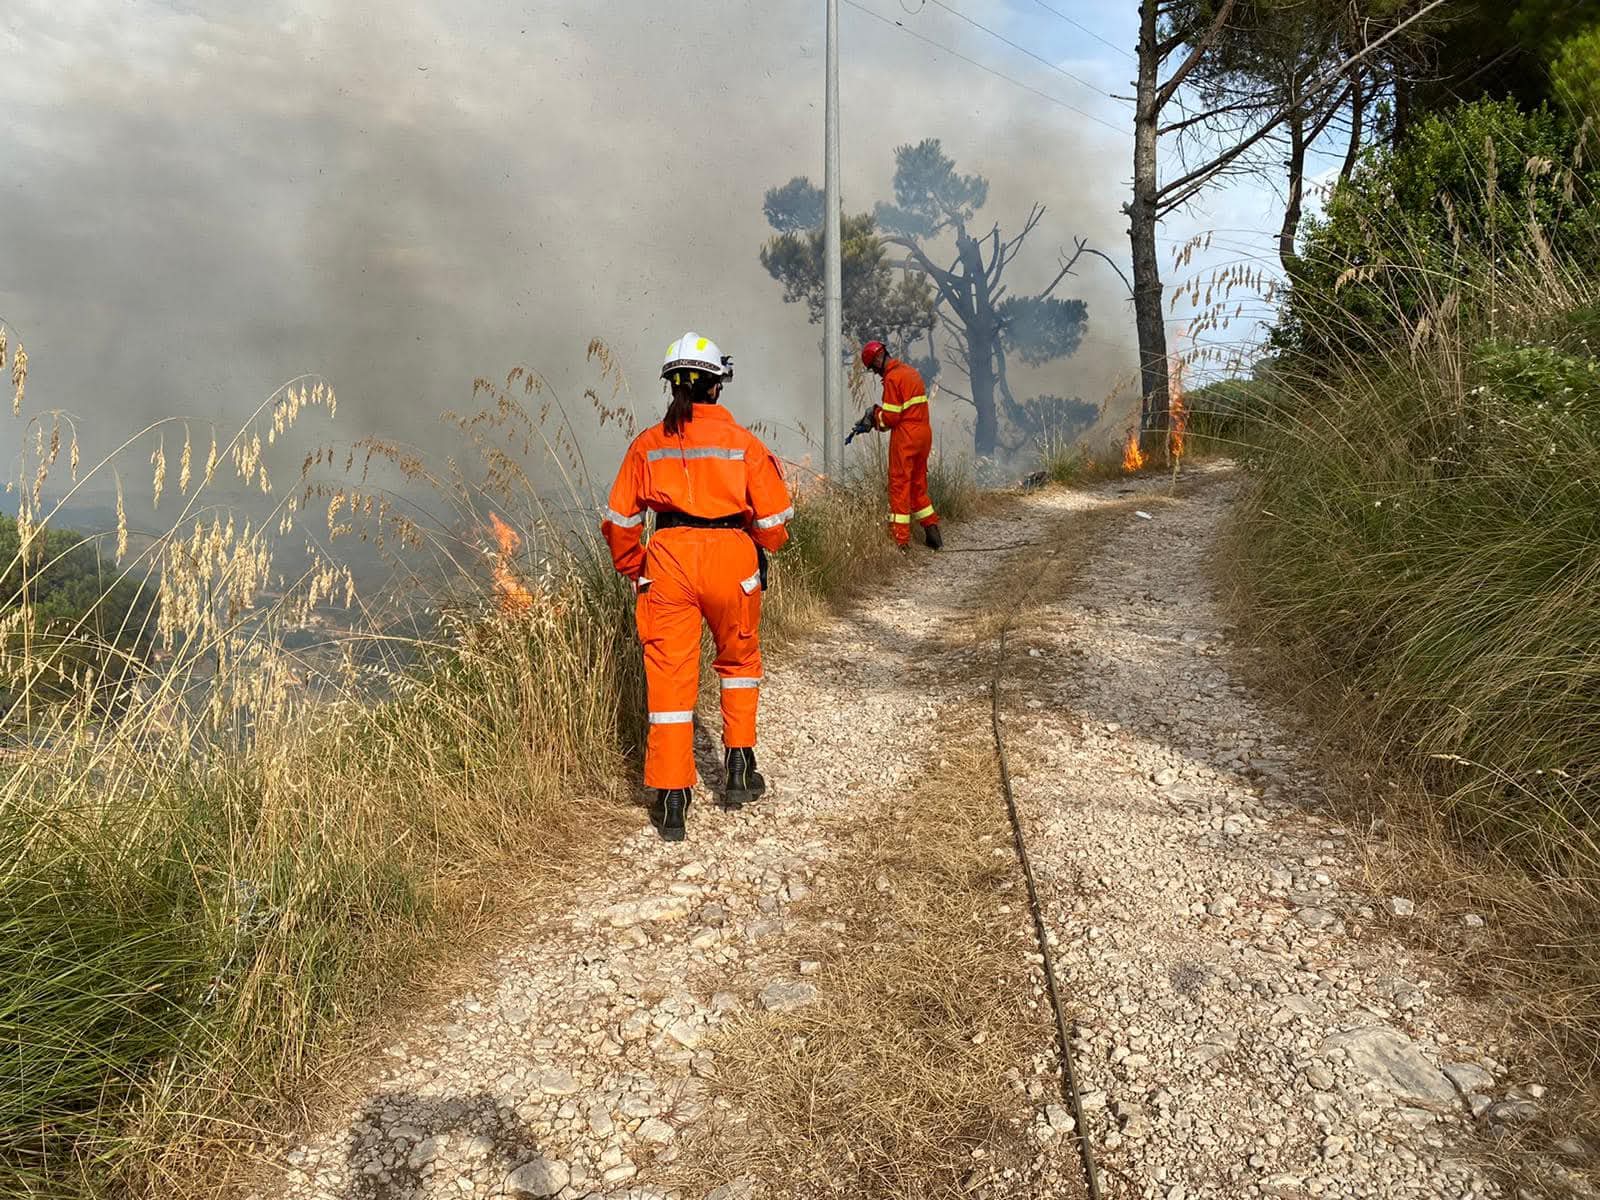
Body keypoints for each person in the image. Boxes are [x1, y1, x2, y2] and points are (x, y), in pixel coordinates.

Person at [601, 332, 794, 841]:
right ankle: (739, 769)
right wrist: (758, 544)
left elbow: (621, 519)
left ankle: (669, 800)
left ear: (672, 386)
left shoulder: (648, 443)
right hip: (732, 558)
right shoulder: (743, 444)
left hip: (666, 559)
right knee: (739, 663)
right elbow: (774, 524)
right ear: (717, 387)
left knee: (668, 682)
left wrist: (635, 565)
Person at [853, 340, 942, 551]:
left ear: (877, 360)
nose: (877, 374)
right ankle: (932, 531)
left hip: (906, 437)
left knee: (899, 484)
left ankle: (900, 541)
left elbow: (891, 418)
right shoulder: (910, 372)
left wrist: (874, 416)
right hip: (924, 434)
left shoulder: (893, 378)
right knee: (918, 483)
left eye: (874, 369)